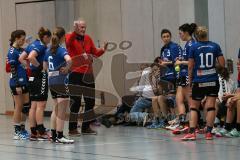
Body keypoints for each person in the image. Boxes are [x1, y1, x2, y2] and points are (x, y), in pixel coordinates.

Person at [181, 26, 225, 141]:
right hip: (212, 81)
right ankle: (209, 133)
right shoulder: (215, 46)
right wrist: (212, 66)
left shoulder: (194, 47)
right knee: (211, 107)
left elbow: (190, 67)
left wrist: (190, 81)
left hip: (199, 81)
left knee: (194, 107)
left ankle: (192, 133)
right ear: (206, 34)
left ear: (196, 35)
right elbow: (222, 64)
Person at [66, 19, 108, 136]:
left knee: (90, 101)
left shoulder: (88, 38)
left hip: (88, 74)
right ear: (76, 28)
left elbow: (94, 52)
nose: (83, 29)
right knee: (76, 101)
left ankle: (86, 127)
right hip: (75, 74)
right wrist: (75, 32)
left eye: (84, 27)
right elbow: (68, 42)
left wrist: (103, 49)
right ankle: (72, 129)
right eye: (81, 27)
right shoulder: (70, 36)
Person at [20, 27, 52, 140]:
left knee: (33, 105)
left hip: (32, 77)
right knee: (41, 105)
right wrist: (39, 68)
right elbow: (30, 57)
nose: (50, 40)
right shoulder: (41, 46)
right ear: (46, 37)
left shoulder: (32, 44)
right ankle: (41, 131)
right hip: (39, 76)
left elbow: (21, 58)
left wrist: (29, 69)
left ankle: (33, 132)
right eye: (50, 38)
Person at [43, 27, 74, 143]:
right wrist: (66, 68)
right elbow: (70, 60)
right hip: (61, 82)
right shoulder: (61, 50)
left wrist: (52, 72)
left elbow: (44, 67)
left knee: (55, 109)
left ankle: (54, 135)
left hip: (51, 82)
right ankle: (60, 136)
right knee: (61, 110)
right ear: (63, 37)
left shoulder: (48, 50)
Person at [172, 23, 197, 134]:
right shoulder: (186, 44)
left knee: (191, 102)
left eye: (180, 33)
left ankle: (192, 126)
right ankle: (182, 123)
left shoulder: (192, 44)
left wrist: (181, 61)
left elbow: (194, 62)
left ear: (186, 33)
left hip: (188, 75)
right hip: (182, 75)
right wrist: (180, 59)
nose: (180, 36)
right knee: (179, 100)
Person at [7, 30, 29, 140]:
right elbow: (12, 69)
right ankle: (16, 132)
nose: (23, 41)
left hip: (24, 81)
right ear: (16, 38)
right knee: (18, 106)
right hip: (16, 83)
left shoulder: (21, 50)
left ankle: (22, 128)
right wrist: (17, 85)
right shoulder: (12, 51)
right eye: (22, 39)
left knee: (26, 106)